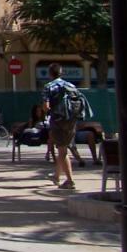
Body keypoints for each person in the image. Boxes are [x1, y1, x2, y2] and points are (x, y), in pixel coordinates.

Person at [43, 62, 88, 190]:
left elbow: (46, 107)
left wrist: (48, 112)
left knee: (62, 150)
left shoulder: (49, 86)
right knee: (63, 148)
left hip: (58, 120)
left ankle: (70, 180)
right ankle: (57, 176)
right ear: (61, 72)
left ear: (50, 73)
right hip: (71, 120)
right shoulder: (71, 85)